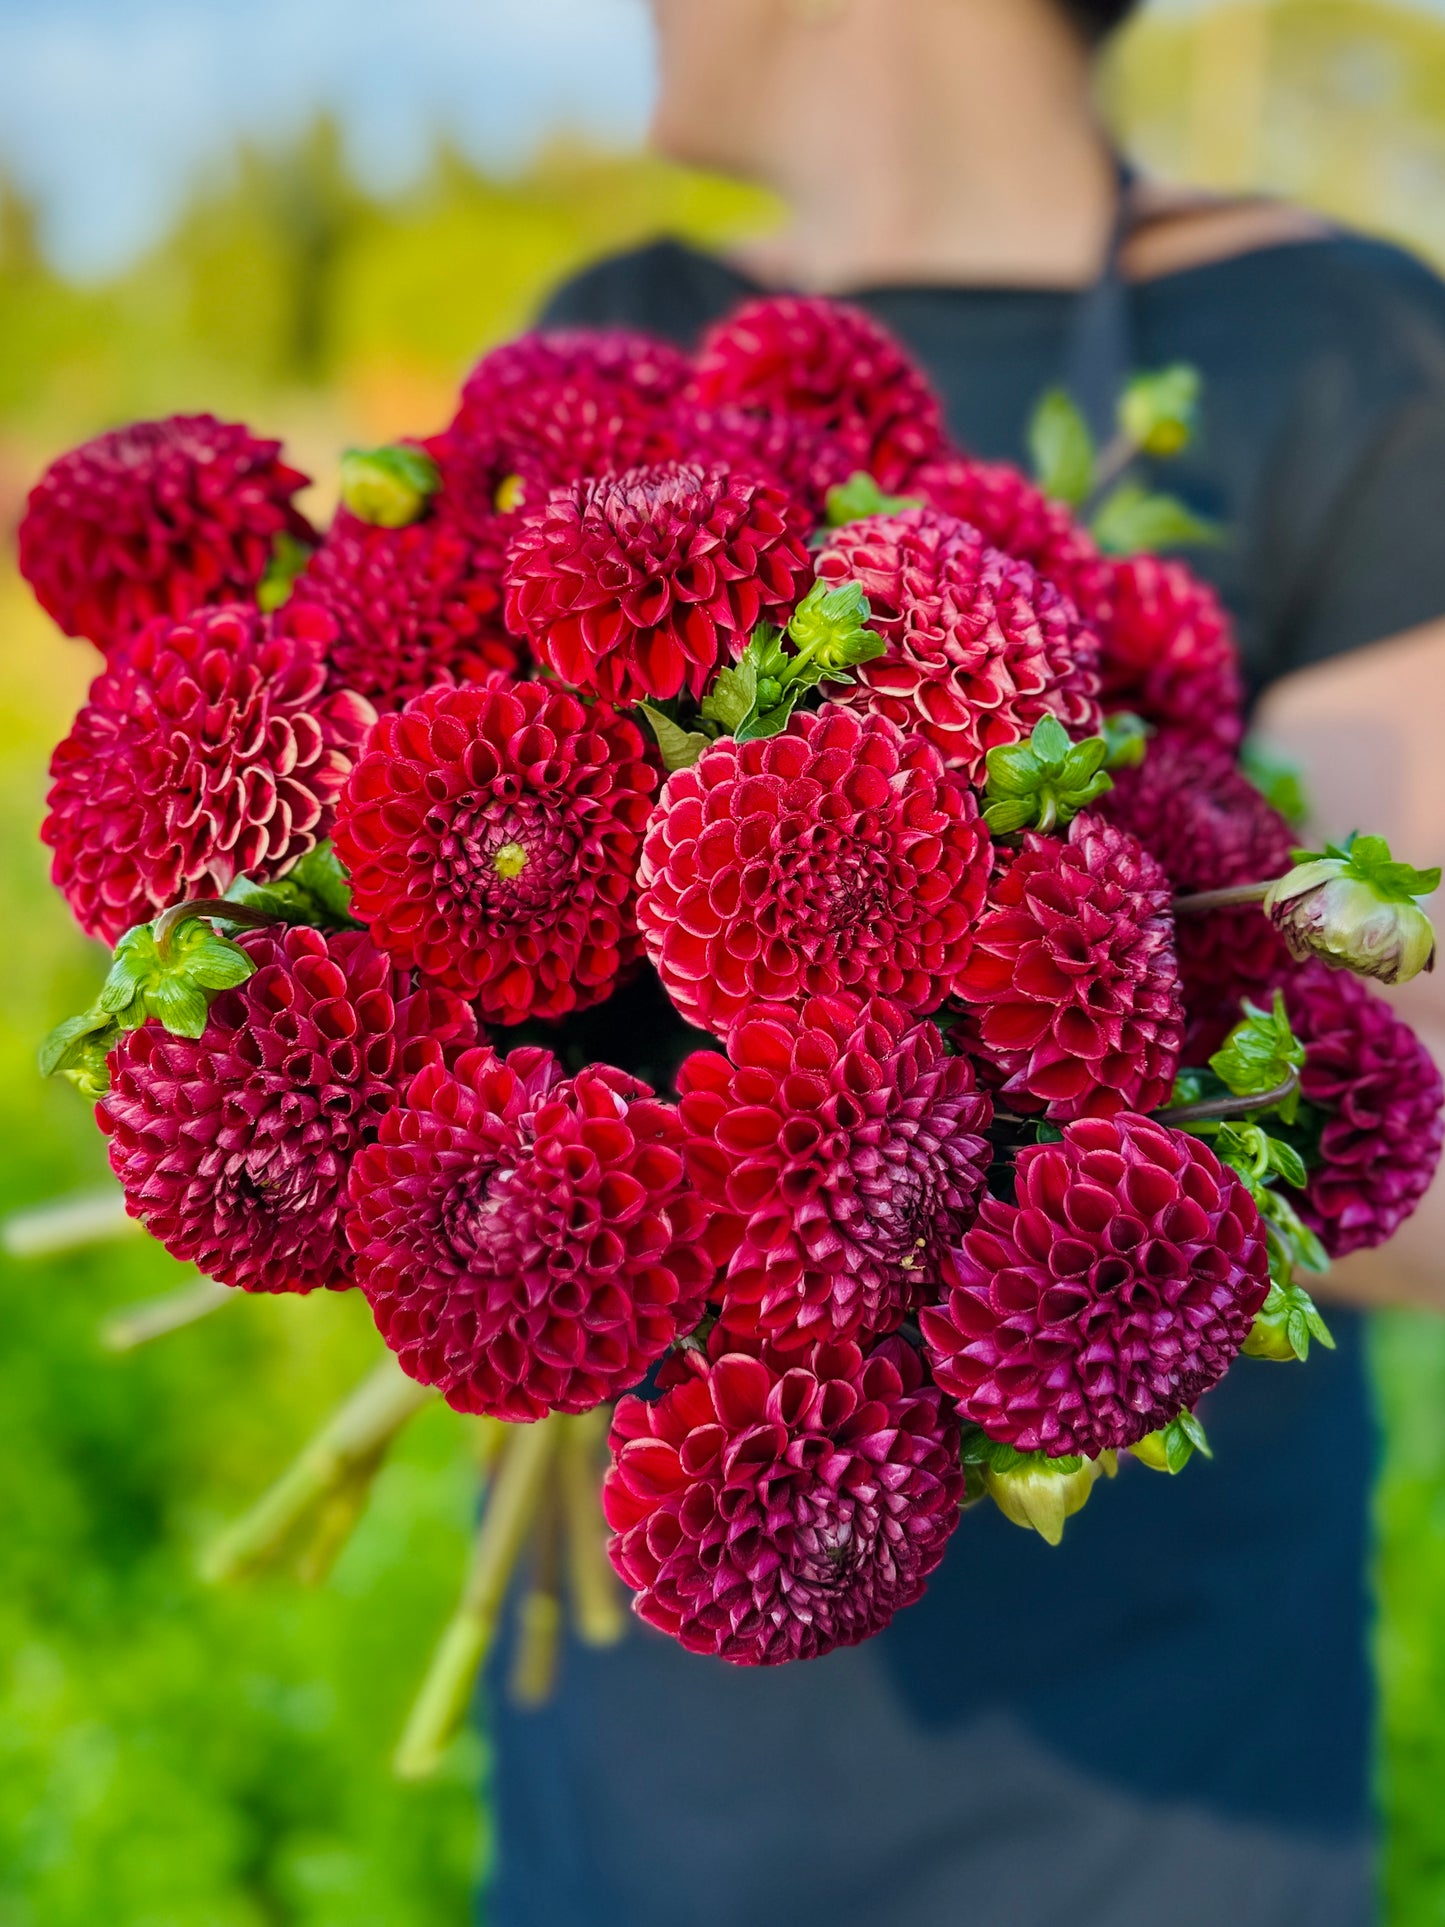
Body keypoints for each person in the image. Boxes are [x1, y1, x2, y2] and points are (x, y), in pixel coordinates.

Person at [483, 2, 1445, 1921]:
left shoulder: (1337, 347)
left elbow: (1412, 1160)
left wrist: (948, 1118)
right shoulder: (620, 326)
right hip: (663, 1704)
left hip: (1150, 1765)